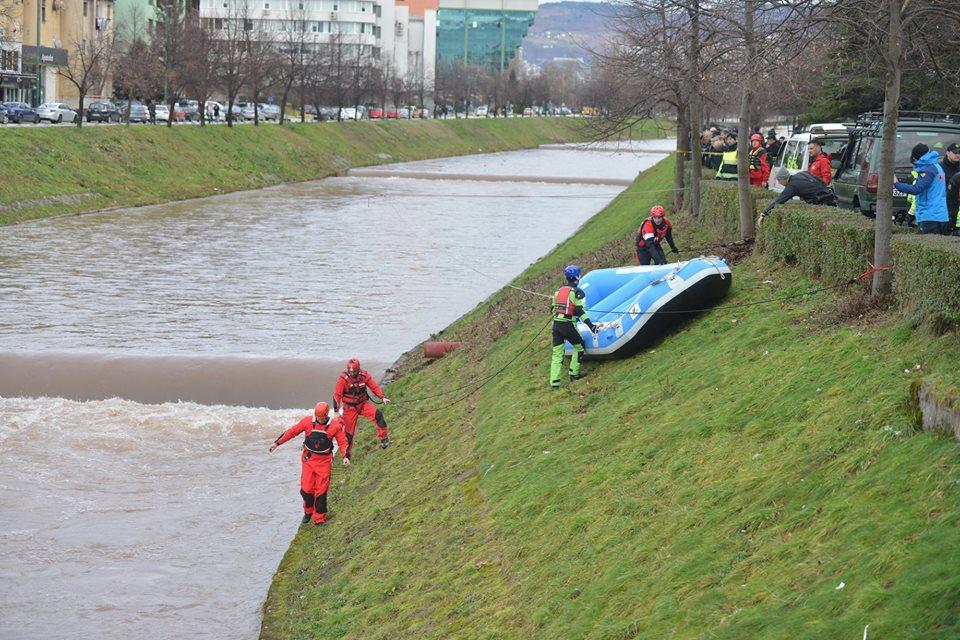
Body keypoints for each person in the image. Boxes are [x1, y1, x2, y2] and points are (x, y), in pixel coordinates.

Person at [269, 402, 350, 526]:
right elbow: (292, 432)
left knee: (321, 492)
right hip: (308, 460)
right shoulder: (307, 422)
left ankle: (319, 518)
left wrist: (345, 456)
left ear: (326, 415)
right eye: (317, 417)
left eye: (322, 418)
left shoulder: (335, 426)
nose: (319, 420)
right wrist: (277, 443)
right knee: (306, 490)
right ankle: (308, 512)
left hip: (324, 462)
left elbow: (343, 442)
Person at [550, 265, 598, 389]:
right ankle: (574, 374)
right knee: (580, 346)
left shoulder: (558, 291)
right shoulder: (578, 292)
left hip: (556, 325)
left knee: (557, 354)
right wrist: (591, 326)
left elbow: (552, 308)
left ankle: (554, 383)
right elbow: (580, 312)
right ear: (577, 277)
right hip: (568, 324)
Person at [333, 358, 391, 456]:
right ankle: (346, 456)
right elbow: (337, 395)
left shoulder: (364, 376)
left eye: (354, 371)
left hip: (362, 404)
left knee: (378, 415)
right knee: (348, 434)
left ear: (358, 369)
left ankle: (384, 439)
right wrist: (336, 411)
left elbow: (374, 387)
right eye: (350, 371)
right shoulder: (343, 379)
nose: (352, 373)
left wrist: (383, 397)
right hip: (349, 408)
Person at [894, 143, 950, 235]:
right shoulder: (937, 167)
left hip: (930, 217)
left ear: (916, 158)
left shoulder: (928, 170)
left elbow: (917, 189)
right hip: (940, 215)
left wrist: (897, 184)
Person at [758, 167, 838, 224]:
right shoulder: (802, 173)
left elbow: (779, 201)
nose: (779, 183)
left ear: (783, 179)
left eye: (779, 180)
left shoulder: (792, 186)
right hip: (830, 195)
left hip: (823, 202)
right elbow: (819, 180)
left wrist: (764, 213)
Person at [942, 143, 960, 229]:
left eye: (959, 153)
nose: (958, 155)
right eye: (955, 153)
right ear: (948, 153)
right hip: (944, 205)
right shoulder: (940, 168)